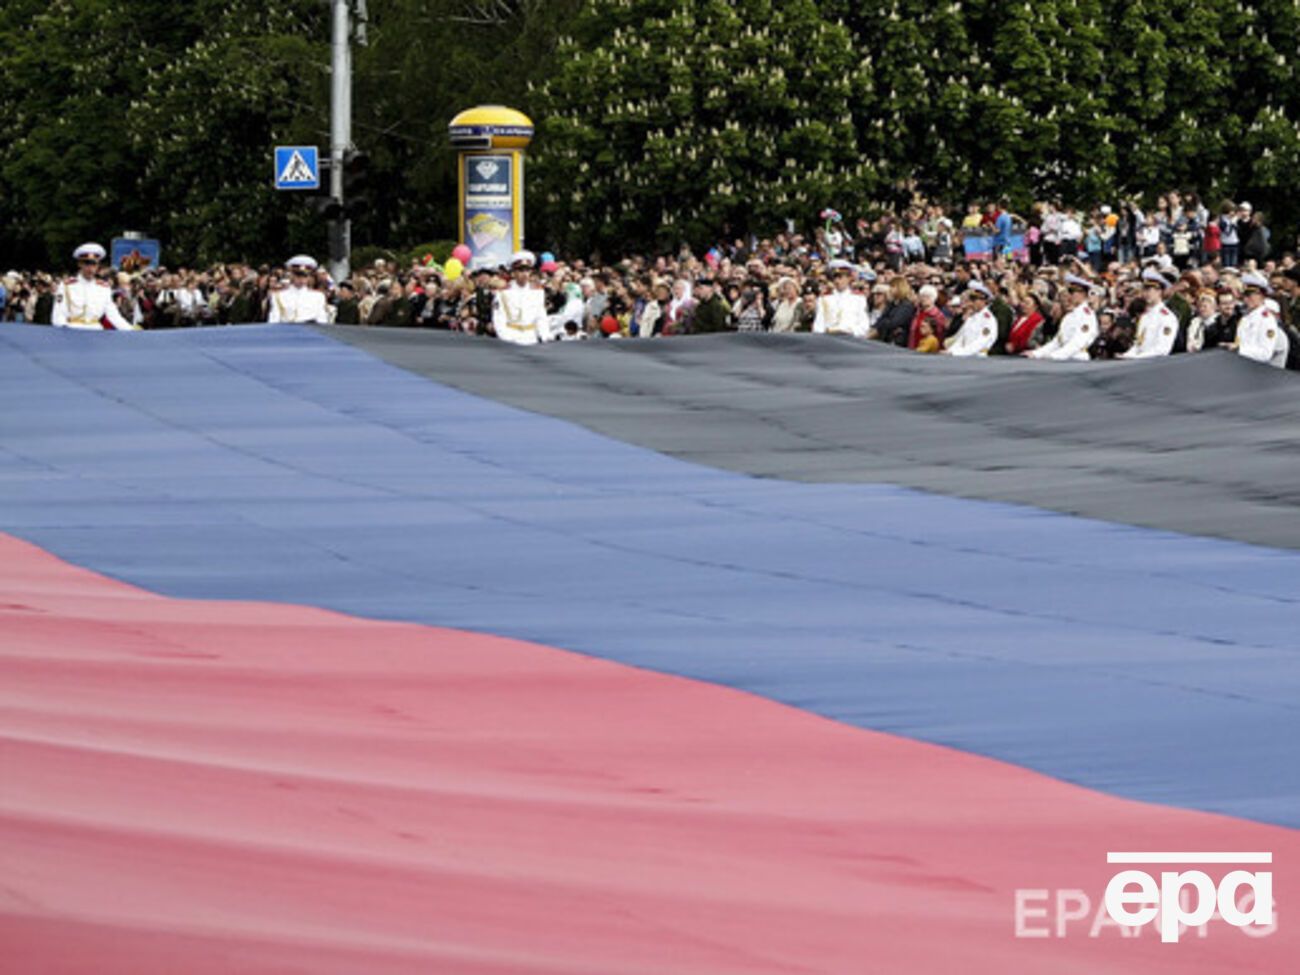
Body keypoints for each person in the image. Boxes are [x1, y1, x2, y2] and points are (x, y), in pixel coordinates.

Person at [51, 243, 137, 330]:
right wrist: (62, 333)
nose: (90, 268)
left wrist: (131, 331)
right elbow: (59, 314)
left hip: (95, 332)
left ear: (98, 266)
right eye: (87, 263)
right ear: (80, 264)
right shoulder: (66, 286)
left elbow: (113, 315)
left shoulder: (103, 288)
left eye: (94, 264)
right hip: (72, 331)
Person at [1025, 274, 1096, 360]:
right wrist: (1036, 354)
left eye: (1072, 292)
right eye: (1069, 292)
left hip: (1076, 359)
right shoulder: (1070, 315)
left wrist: (1055, 356)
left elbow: (1078, 342)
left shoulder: (1086, 315)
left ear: (1083, 294)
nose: (1070, 296)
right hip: (1063, 359)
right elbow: (1057, 342)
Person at [1231, 272, 1289, 368]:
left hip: (1261, 372)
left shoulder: (1266, 319)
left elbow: (1265, 354)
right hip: (1244, 367)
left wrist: (1239, 350)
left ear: (1262, 297)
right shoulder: (1245, 318)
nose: (1247, 299)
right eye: (1245, 296)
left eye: (1251, 295)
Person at [1119, 269, 1179, 359]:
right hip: (1141, 363)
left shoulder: (1166, 317)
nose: (1146, 294)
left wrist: (1137, 357)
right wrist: (1126, 356)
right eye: (1144, 290)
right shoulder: (1145, 316)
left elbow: (1162, 349)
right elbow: (1138, 345)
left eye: (1149, 290)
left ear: (1159, 291)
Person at [492, 250, 548, 344]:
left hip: (531, 338)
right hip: (511, 338)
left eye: (527, 270)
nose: (525, 274)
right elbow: (499, 320)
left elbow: (541, 317)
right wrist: (506, 340)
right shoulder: (503, 294)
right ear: (513, 273)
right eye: (521, 270)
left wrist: (544, 337)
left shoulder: (537, 293)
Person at [267, 255, 329, 323]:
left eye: (305, 276)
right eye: (298, 275)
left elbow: (322, 320)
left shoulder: (318, 297)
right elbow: (274, 320)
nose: (301, 279)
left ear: (309, 277)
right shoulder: (278, 296)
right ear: (291, 275)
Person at [814, 262, 868, 337]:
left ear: (849, 278)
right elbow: (818, 325)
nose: (837, 281)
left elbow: (864, 326)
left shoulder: (859, 299)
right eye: (835, 278)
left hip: (850, 340)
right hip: (828, 340)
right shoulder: (824, 299)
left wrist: (849, 331)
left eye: (840, 277)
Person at [942, 283, 997, 356]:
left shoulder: (988, 319)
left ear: (983, 301)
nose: (971, 303)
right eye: (971, 300)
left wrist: (958, 353)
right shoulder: (972, 317)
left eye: (974, 300)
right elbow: (962, 338)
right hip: (965, 356)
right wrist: (951, 350)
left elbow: (981, 342)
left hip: (978, 357)